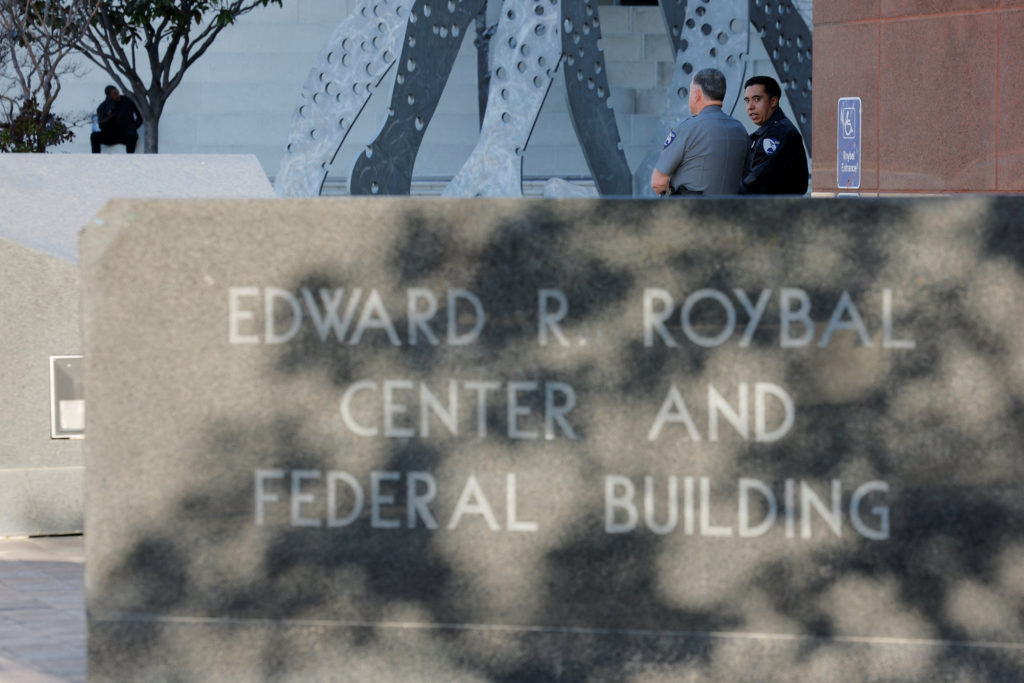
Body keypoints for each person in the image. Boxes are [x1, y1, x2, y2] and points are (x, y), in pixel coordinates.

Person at [651, 68, 748, 196]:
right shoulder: (740, 130)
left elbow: (658, 182)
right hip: (731, 212)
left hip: (691, 212)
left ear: (696, 94)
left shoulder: (687, 128)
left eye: (690, 92)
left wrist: (671, 195)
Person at [739, 76, 808, 194]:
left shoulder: (779, 133)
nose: (750, 106)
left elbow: (756, 182)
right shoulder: (770, 131)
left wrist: (725, 191)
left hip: (774, 210)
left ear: (773, 102)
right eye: (747, 100)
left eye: (756, 99)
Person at [90, 85, 143, 154]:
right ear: (108, 96)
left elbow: (140, 117)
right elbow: (99, 126)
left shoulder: (127, 101)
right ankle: (95, 158)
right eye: (115, 94)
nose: (118, 95)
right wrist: (109, 112)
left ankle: (130, 158)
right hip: (110, 135)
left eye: (118, 92)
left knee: (132, 135)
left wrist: (133, 127)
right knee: (94, 136)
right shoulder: (102, 107)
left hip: (125, 133)